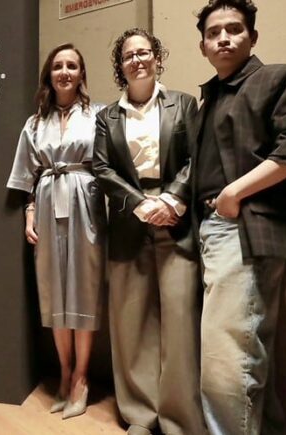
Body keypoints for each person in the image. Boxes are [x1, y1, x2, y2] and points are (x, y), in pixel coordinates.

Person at [192, 1, 286, 433]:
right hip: (213, 230)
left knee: (227, 365)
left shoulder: (279, 78)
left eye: (234, 29)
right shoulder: (210, 98)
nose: (224, 38)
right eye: (214, 33)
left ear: (253, 36)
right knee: (245, 356)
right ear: (202, 46)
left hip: (245, 228)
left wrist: (234, 194)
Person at [92, 29, 207, 435]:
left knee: (180, 322)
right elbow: (102, 167)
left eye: (144, 52)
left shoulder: (184, 104)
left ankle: (179, 420)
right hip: (129, 222)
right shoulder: (107, 117)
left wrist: (171, 200)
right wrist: (141, 204)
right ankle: (141, 415)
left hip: (176, 220)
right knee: (131, 322)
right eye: (128, 56)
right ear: (120, 66)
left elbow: (197, 157)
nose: (137, 60)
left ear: (157, 58)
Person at [7, 43, 106, 420]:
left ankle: (81, 377)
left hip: (85, 202)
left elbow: (108, 167)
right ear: (49, 74)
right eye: (58, 66)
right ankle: (64, 372)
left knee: (84, 288)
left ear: (81, 74)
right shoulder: (34, 123)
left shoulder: (98, 115)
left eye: (72, 66)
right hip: (47, 202)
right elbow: (27, 175)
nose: (65, 71)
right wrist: (29, 212)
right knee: (52, 289)